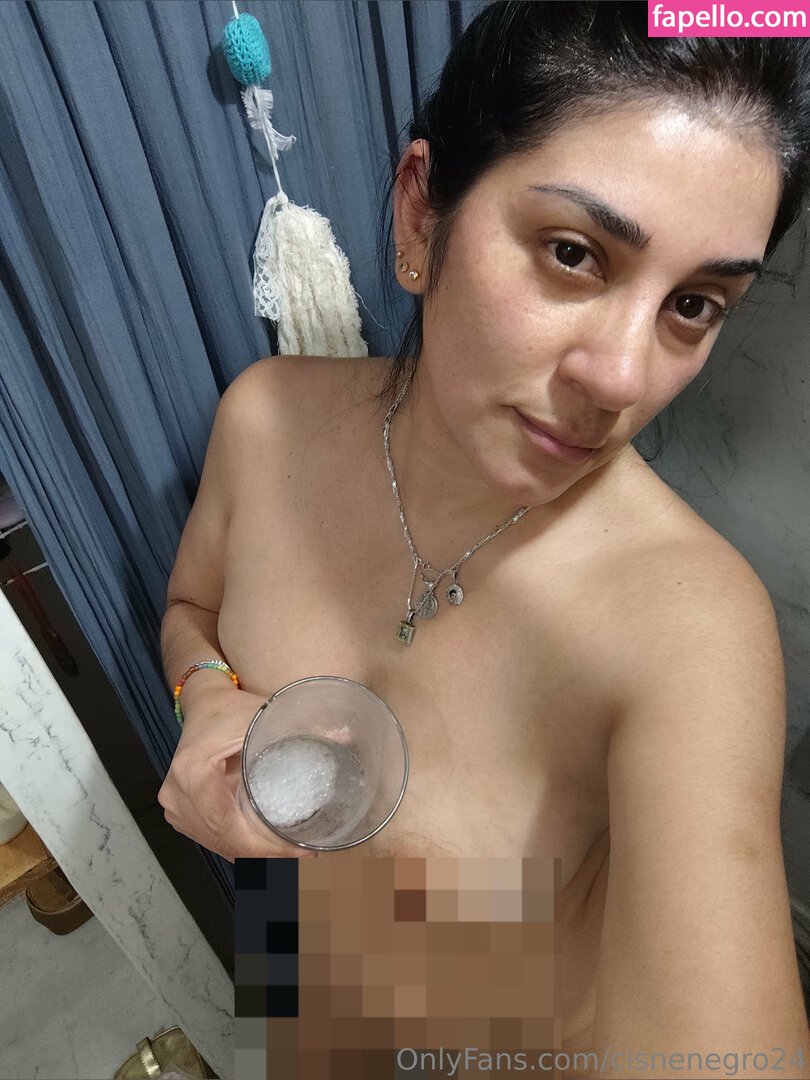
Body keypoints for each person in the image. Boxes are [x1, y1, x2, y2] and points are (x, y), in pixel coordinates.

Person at [158, 2, 810, 1074]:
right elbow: (191, 610)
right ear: (422, 214)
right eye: (574, 253)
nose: (624, 377)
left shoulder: (691, 629)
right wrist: (208, 695)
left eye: (694, 306)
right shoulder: (265, 422)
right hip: (306, 998)